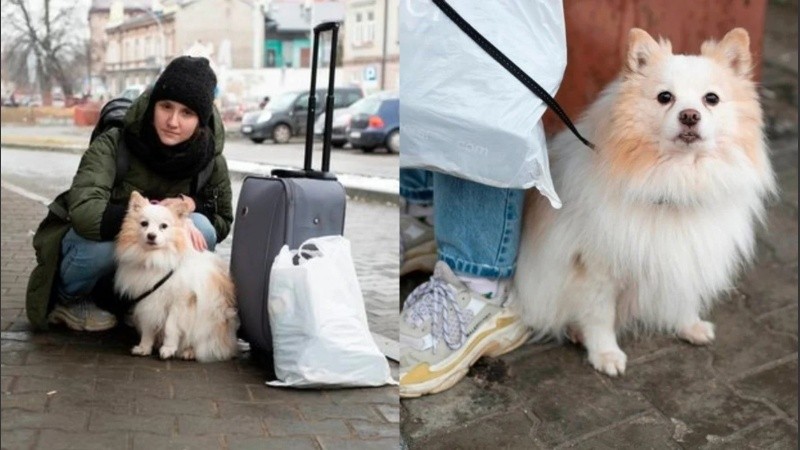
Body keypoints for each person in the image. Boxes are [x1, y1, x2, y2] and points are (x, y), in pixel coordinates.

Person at [25, 56, 234, 332]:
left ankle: (142, 301)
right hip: (92, 245)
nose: (173, 121)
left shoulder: (210, 160)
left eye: (187, 113)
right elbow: (85, 212)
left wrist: (190, 207)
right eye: (166, 107)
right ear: (152, 105)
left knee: (202, 230)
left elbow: (222, 220)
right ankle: (70, 299)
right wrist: (157, 213)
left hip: (144, 267)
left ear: (201, 120)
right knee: (106, 249)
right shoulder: (115, 142)